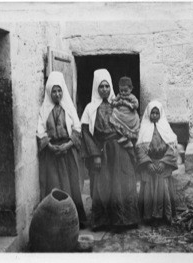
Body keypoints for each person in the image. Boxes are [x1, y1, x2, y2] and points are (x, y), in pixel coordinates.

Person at [80, 69, 139, 231]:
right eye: (101, 86)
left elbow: (131, 121)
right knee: (103, 185)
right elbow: (85, 132)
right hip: (102, 150)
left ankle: (125, 220)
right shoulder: (90, 108)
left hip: (120, 149)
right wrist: (95, 155)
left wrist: (128, 140)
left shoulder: (118, 104)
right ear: (96, 88)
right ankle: (103, 221)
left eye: (107, 86)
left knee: (123, 183)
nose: (104, 89)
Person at [36, 71, 87, 227]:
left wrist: (68, 144)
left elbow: (77, 128)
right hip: (52, 154)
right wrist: (50, 146)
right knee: (55, 185)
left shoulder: (69, 108)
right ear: (49, 92)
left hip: (68, 152)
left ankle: (75, 220)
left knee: (72, 185)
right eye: (54, 91)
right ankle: (56, 222)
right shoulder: (44, 110)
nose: (57, 94)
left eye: (59, 91)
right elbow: (40, 131)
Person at [136, 100, 178, 225]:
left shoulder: (165, 129)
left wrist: (164, 162)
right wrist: (148, 163)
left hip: (162, 164)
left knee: (162, 189)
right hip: (149, 165)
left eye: (156, 113)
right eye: (152, 113)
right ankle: (148, 216)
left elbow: (172, 146)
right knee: (148, 189)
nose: (154, 115)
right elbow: (139, 148)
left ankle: (163, 216)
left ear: (160, 114)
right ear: (148, 114)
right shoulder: (143, 129)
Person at [109, 76, 140, 148]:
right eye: (121, 90)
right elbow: (113, 103)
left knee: (129, 126)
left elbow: (136, 105)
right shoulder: (119, 96)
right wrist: (118, 103)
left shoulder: (132, 97)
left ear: (131, 89)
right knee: (114, 114)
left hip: (129, 115)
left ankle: (129, 139)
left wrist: (127, 104)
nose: (123, 93)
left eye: (125, 91)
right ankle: (124, 137)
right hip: (121, 114)